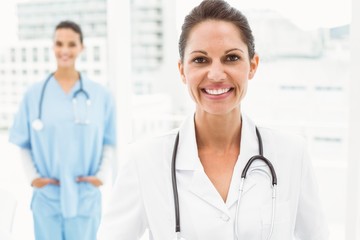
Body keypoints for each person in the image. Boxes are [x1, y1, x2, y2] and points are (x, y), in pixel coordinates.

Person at [97, 1, 328, 239]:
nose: (216, 74)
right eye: (200, 60)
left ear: (252, 65)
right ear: (181, 70)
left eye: (231, 58)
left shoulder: (291, 154)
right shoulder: (145, 161)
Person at [9, 20, 116, 240]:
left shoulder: (100, 95)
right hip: (48, 196)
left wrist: (101, 176)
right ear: (53, 47)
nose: (64, 50)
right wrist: (33, 178)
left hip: (84, 195)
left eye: (71, 44)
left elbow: (108, 140)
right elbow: (24, 143)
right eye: (59, 44)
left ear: (81, 47)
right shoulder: (34, 94)